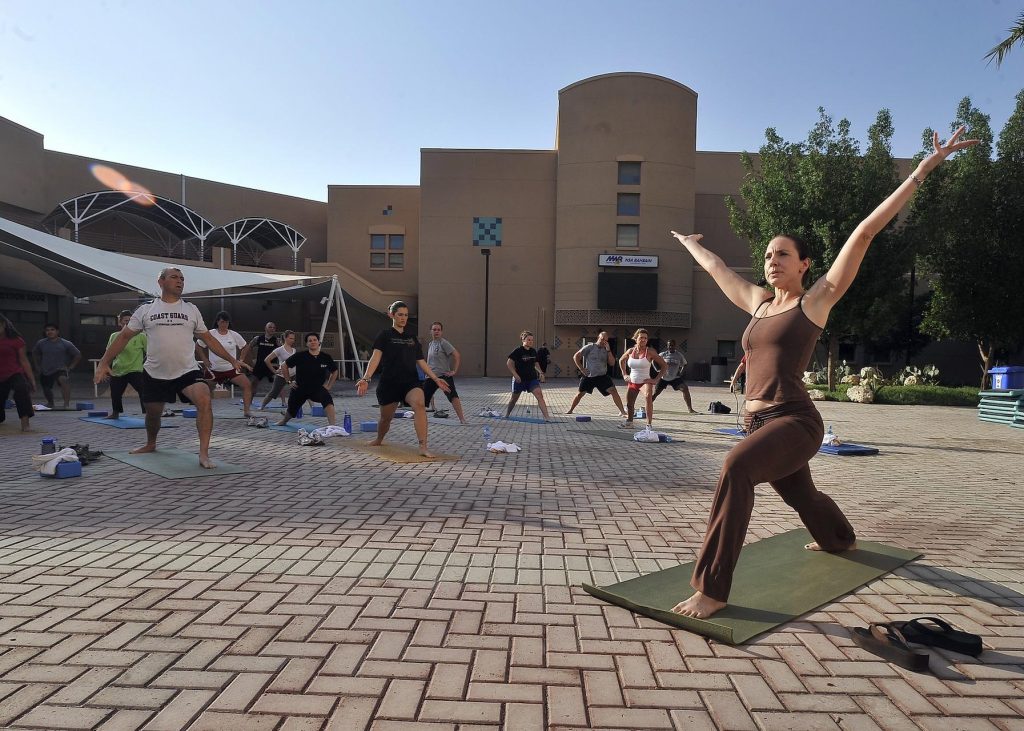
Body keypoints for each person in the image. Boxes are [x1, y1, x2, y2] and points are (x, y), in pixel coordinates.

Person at [668, 126, 978, 619]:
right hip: (757, 421)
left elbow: (865, 233)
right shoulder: (759, 304)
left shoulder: (816, 302)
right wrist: (690, 244)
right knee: (801, 493)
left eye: (782, 254)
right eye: (768, 255)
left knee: (736, 468)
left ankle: (712, 587)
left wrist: (922, 170)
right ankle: (839, 538)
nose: (772, 262)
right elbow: (717, 270)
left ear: (805, 264)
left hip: (795, 420)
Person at [94, 267, 251, 468]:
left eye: (182, 278)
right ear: (161, 282)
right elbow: (124, 336)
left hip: (187, 370)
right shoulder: (146, 310)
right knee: (153, 414)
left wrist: (232, 359)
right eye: (174, 277)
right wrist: (104, 362)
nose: (180, 281)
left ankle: (203, 454)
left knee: (204, 398)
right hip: (155, 372)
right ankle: (151, 443)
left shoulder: (191, 309)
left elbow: (208, 339)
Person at [356, 301, 450, 457]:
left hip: (410, 382)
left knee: (419, 405)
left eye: (406, 315)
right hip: (389, 383)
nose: (403, 318)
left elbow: (421, 361)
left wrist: (435, 378)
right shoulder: (384, 335)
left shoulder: (411, 338)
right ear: (391, 315)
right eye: (400, 314)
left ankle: (423, 447)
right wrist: (366, 379)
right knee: (386, 419)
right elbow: (375, 358)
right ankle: (379, 438)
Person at [196, 311, 254, 417]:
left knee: (247, 385)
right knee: (205, 390)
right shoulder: (211, 333)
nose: (224, 325)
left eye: (227, 322)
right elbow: (198, 345)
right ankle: (204, 411)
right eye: (222, 322)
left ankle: (246, 411)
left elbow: (245, 346)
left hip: (231, 368)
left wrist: (240, 359)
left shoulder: (233, 334)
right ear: (217, 322)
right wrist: (204, 359)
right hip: (213, 369)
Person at [277, 332, 338, 427]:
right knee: (292, 410)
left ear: (319, 343)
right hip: (300, 388)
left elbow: (334, 371)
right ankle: (284, 421)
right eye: (310, 341)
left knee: (327, 399)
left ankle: (333, 426)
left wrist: (329, 385)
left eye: (315, 340)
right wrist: (288, 381)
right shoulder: (300, 356)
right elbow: (284, 366)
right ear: (307, 344)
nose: (312, 342)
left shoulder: (326, 357)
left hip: (317, 389)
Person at [566, 331, 627, 417]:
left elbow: (612, 363)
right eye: (602, 339)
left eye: (606, 340)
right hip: (589, 376)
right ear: (598, 338)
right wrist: (581, 369)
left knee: (613, 391)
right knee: (580, 394)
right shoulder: (589, 347)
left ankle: (622, 412)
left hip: (602, 376)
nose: (604, 342)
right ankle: (570, 410)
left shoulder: (607, 350)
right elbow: (576, 356)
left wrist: (609, 351)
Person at [617, 328, 667, 428]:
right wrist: (624, 374)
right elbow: (621, 360)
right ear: (636, 339)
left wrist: (656, 379)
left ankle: (649, 425)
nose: (643, 340)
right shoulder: (630, 351)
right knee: (629, 404)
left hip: (645, 381)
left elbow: (664, 365)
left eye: (645, 338)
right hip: (632, 382)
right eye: (641, 338)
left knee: (648, 396)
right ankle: (629, 422)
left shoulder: (650, 352)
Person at [102, 309, 147, 419]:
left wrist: (146, 366)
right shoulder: (114, 336)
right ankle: (115, 413)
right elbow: (109, 353)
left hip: (136, 370)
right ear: (120, 322)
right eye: (125, 321)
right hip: (118, 370)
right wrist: (105, 367)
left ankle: (147, 414)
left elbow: (149, 352)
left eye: (130, 321)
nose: (128, 323)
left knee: (144, 391)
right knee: (115, 394)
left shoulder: (141, 336)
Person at [421, 321, 468, 424]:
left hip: (444, 376)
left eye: (438, 330)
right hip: (432, 377)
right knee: (422, 398)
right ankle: (420, 418)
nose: (436, 332)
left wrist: (454, 371)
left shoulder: (444, 343)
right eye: (434, 329)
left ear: (441, 332)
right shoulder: (430, 344)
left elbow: (457, 355)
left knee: (453, 396)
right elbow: (430, 361)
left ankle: (462, 419)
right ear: (431, 331)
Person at [32, 323, 81, 410]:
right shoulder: (41, 343)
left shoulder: (66, 343)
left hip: (60, 369)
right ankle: (50, 403)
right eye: (47, 330)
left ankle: (66, 405)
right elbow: (35, 354)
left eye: (52, 329)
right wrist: (37, 366)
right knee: (46, 388)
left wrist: (71, 367)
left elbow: (77, 355)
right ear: (45, 332)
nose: (49, 332)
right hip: (45, 369)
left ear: (57, 331)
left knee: (63, 379)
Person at [0, 313, 36, 431]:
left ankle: (25, 424)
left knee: (21, 389)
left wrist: (32, 380)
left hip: (14, 373)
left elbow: (24, 361)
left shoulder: (16, 340)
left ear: (4, 324)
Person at [505, 330, 551, 421]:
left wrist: (541, 373)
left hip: (531, 379)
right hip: (520, 380)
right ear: (523, 340)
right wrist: (515, 375)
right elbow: (509, 363)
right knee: (514, 399)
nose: (531, 341)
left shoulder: (533, 351)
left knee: (539, 395)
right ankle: (507, 414)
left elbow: (535, 363)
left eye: (532, 340)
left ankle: (547, 418)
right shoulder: (518, 351)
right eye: (529, 340)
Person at [652, 339, 698, 413]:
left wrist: (681, 372)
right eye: (669, 345)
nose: (671, 347)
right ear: (667, 346)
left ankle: (690, 409)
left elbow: (685, 364)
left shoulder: (679, 355)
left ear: (675, 346)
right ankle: (647, 406)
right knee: (656, 393)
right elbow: (653, 360)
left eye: (672, 345)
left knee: (685, 389)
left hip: (675, 378)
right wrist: (657, 369)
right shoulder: (663, 354)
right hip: (663, 378)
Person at [259, 329, 296, 411]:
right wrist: (274, 371)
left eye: (293, 338)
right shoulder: (279, 349)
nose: (292, 340)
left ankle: (312, 408)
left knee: (302, 389)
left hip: (293, 374)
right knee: (273, 393)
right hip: (282, 375)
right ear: (285, 338)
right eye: (290, 338)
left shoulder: (294, 350)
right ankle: (262, 406)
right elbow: (267, 360)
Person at [246, 322, 280, 393]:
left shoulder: (277, 340)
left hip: (271, 365)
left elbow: (282, 351)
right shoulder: (258, 338)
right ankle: (249, 399)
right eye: (270, 327)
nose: (272, 329)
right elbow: (249, 347)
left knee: (279, 383)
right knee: (254, 383)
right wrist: (251, 359)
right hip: (260, 364)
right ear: (265, 328)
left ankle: (284, 403)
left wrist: (279, 364)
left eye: (274, 328)